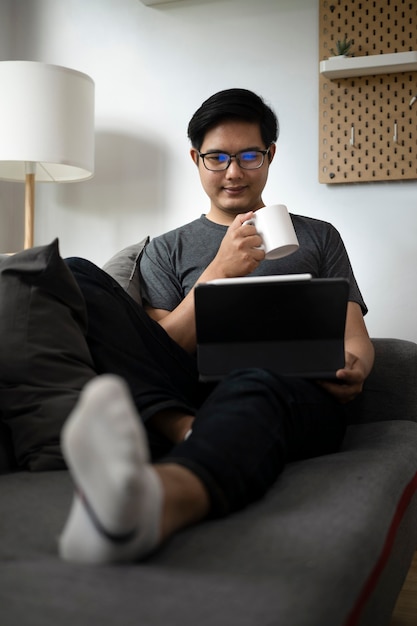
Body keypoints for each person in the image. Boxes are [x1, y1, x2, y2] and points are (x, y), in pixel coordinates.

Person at [59, 88, 374, 564]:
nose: (233, 171)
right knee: (77, 273)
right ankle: (186, 427)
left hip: (296, 393)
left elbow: (355, 338)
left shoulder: (318, 236)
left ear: (270, 155)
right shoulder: (167, 249)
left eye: (249, 155)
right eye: (217, 157)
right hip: (194, 389)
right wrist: (218, 272)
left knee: (257, 380)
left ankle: (158, 497)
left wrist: (356, 369)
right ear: (196, 159)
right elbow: (162, 351)